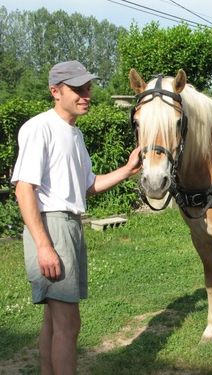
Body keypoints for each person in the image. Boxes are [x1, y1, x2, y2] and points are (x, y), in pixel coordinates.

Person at [10, 60, 142, 374]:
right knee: (69, 324)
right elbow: (24, 189)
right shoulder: (39, 127)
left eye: (88, 87)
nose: (86, 94)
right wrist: (44, 246)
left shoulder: (75, 135)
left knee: (55, 321)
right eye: (77, 89)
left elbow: (88, 186)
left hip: (70, 224)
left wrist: (127, 169)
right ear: (55, 91)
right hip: (52, 225)